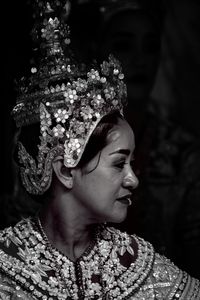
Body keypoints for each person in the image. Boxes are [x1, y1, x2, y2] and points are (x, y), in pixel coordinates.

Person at [0, 0, 200, 299]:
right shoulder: (7, 266)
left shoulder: (143, 267)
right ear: (66, 170)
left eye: (131, 163)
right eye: (119, 164)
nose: (134, 179)